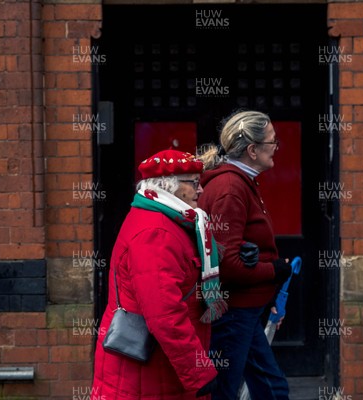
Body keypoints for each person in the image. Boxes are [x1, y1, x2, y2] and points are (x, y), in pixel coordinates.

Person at [91, 149, 228, 400]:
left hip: (158, 368)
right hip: (148, 373)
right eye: (195, 183)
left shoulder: (168, 220)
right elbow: (164, 314)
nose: (201, 190)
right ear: (169, 186)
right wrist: (198, 372)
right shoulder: (156, 232)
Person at [198, 110, 291, 400]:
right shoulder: (230, 188)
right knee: (228, 392)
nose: (277, 148)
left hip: (243, 311)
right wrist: (276, 270)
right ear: (252, 150)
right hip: (233, 313)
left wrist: (271, 289)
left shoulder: (240, 182)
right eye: (272, 142)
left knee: (272, 389)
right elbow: (227, 266)